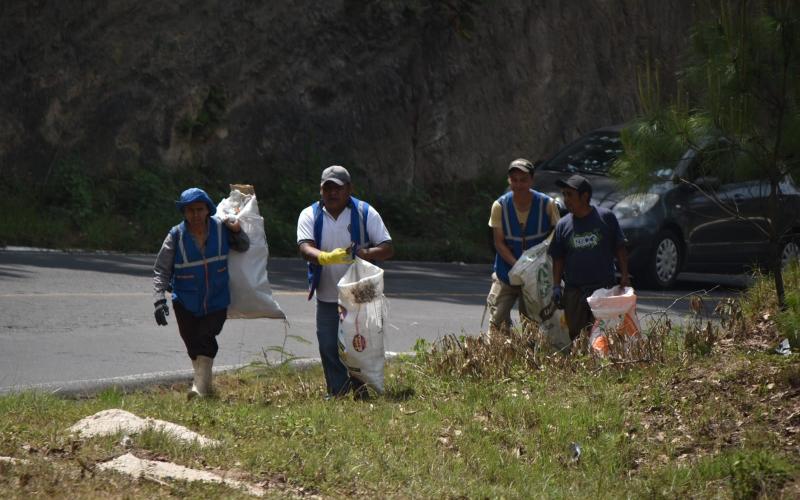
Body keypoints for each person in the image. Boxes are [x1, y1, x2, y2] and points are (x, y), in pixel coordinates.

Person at [297, 165, 393, 398]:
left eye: (338, 188)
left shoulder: (365, 212)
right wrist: (325, 257)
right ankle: (337, 391)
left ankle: (362, 389)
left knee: (360, 344)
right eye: (327, 188)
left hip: (360, 295)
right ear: (321, 190)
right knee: (328, 345)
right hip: (327, 294)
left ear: (349, 189)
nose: (332, 193)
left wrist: (365, 253)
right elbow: (304, 247)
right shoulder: (309, 214)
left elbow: (387, 248)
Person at [152, 187, 250, 399]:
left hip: (217, 300)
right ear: (184, 212)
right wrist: (159, 300)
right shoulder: (175, 235)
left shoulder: (221, 228)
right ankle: (204, 383)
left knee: (206, 337)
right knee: (192, 344)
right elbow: (161, 269)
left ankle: (200, 388)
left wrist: (236, 230)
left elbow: (244, 246)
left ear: (208, 210)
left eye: (199, 209)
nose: (195, 215)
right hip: (185, 301)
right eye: (190, 210)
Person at [548, 174, 630, 341]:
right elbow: (558, 257)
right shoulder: (563, 225)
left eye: (570, 195)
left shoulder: (605, 218)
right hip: (574, 292)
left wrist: (624, 275)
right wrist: (556, 286)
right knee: (577, 338)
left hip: (603, 290)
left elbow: (619, 247)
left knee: (603, 338)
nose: (565, 199)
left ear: (584, 196)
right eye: (564, 195)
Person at [486, 158, 561, 332]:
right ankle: (501, 347)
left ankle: (529, 348)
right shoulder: (499, 206)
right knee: (496, 322)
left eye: (523, 180)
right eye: (514, 180)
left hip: (536, 277)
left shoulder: (547, 204)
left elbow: (558, 233)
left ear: (531, 180)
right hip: (506, 272)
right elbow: (499, 242)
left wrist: (535, 265)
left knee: (531, 325)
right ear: (509, 181)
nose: (518, 185)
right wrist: (519, 266)